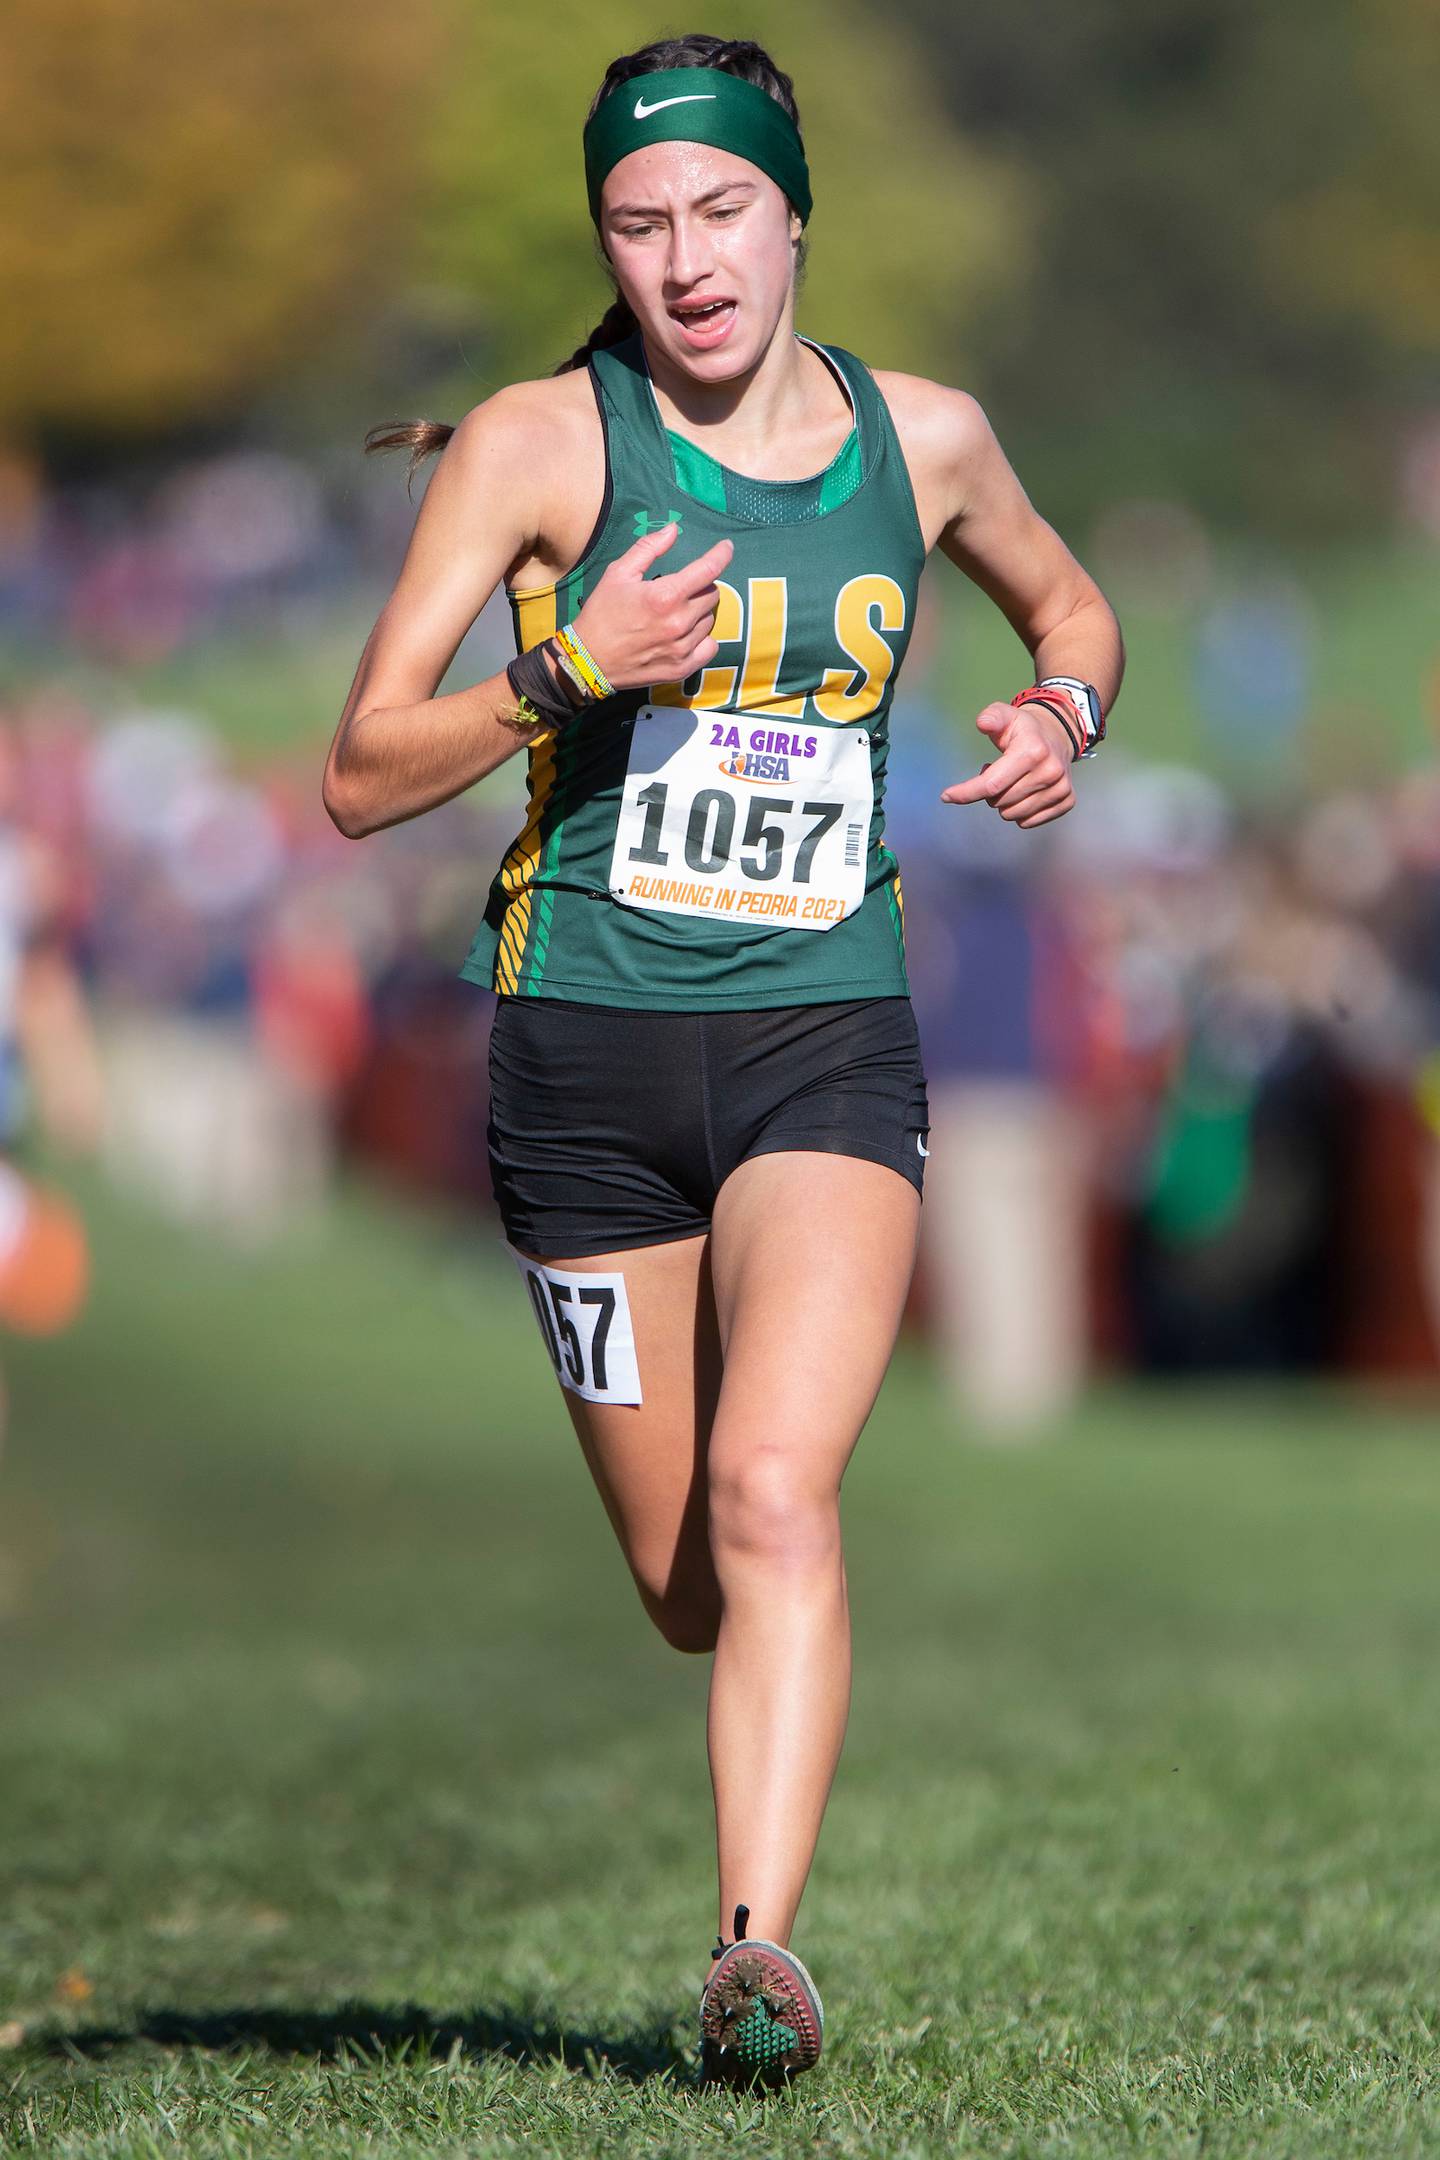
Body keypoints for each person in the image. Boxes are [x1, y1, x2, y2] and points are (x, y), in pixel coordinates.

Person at [323, 32, 1124, 2089]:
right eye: (639, 221)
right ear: (610, 239)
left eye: (721, 211)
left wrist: (1067, 716)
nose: (684, 259)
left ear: (794, 216)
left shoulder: (921, 438)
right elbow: (355, 773)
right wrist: (568, 669)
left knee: (778, 1500)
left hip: (821, 1040)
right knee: (691, 1582)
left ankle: (752, 1958)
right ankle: (743, 1779)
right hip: (580, 1077)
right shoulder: (537, 444)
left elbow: (1072, 610)